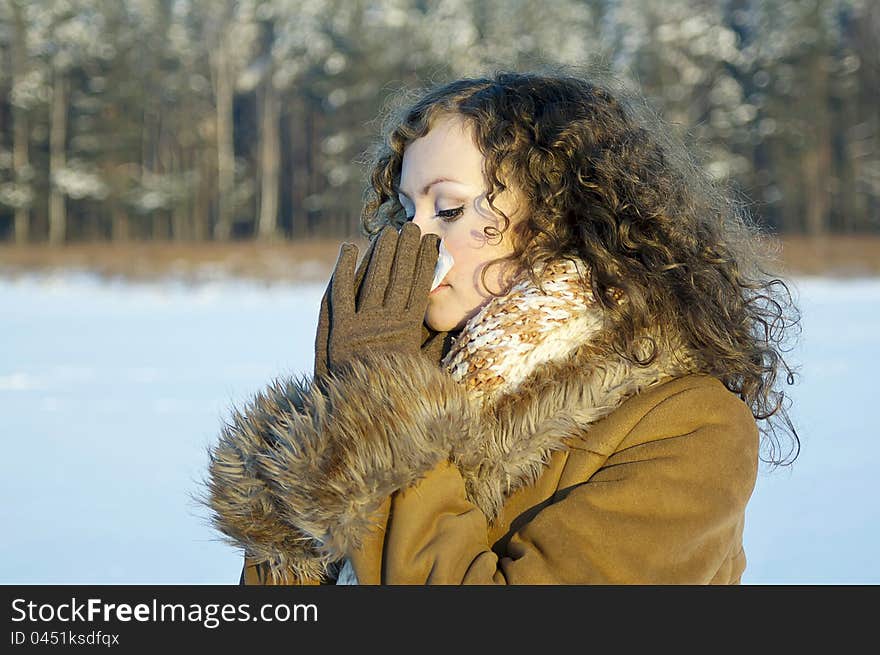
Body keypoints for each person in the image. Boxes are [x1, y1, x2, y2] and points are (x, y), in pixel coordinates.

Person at [203, 68, 800, 585]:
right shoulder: (415, 368)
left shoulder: (688, 425)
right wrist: (330, 433)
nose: (415, 238)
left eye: (450, 208)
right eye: (408, 211)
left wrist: (385, 418)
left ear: (559, 218)